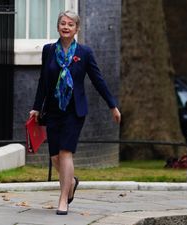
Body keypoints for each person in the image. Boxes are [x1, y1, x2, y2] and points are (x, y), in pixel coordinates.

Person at [29, 10, 121, 215]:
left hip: (74, 111)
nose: (66, 27)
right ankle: (71, 181)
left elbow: (98, 80)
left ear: (77, 29)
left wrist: (112, 105)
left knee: (65, 152)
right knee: (54, 157)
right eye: (63, 23)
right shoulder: (48, 50)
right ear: (58, 26)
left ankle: (63, 199)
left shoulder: (85, 53)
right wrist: (36, 107)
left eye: (70, 24)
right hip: (53, 110)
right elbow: (43, 82)